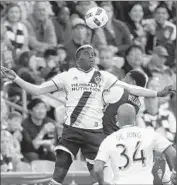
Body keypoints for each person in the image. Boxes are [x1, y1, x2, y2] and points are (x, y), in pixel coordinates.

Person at [1, 44, 175, 185]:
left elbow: (130, 88)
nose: (92, 56)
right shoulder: (67, 76)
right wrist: (16, 78)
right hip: (72, 130)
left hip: (96, 133)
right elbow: (37, 90)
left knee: (100, 177)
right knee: (59, 174)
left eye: (93, 53)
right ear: (77, 59)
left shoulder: (104, 77)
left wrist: (158, 93)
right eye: (87, 53)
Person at [94, 103, 176, 185]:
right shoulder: (149, 134)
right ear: (135, 118)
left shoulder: (109, 140)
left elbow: (97, 169)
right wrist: (175, 172)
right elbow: (173, 153)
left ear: (117, 118)